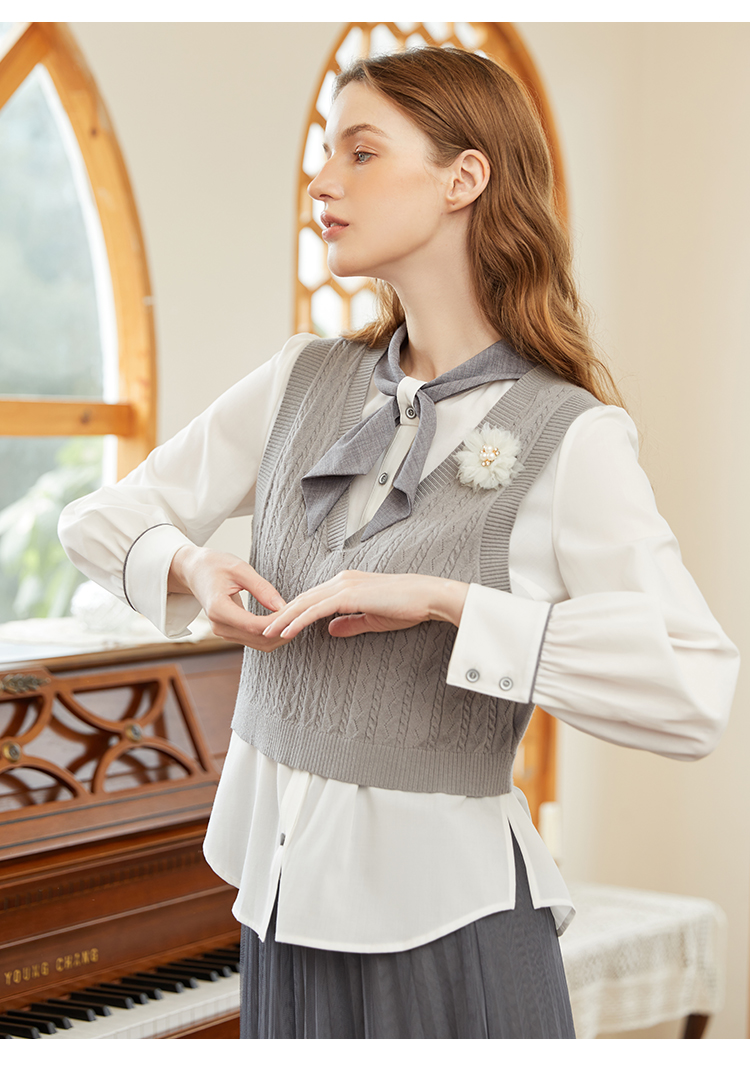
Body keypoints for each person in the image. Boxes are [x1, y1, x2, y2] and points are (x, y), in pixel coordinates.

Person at [58, 46, 739, 1039]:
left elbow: (692, 687)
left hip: (451, 938)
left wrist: (446, 602)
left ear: (464, 179)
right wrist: (193, 565)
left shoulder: (571, 436)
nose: (323, 182)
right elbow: (99, 520)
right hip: (278, 922)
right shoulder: (299, 380)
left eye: (362, 152)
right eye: (325, 154)